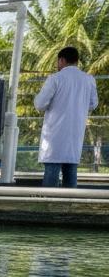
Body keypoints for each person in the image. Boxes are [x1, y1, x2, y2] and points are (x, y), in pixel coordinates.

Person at [34, 46, 98, 188]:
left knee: (51, 174)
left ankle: (49, 208)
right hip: (75, 135)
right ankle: (70, 209)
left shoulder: (55, 78)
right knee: (71, 174)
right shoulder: (89, 80)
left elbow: (39, 104)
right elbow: (93, 104)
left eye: (58, 62)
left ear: (62, 60)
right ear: (76, 61)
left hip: (54, 137)